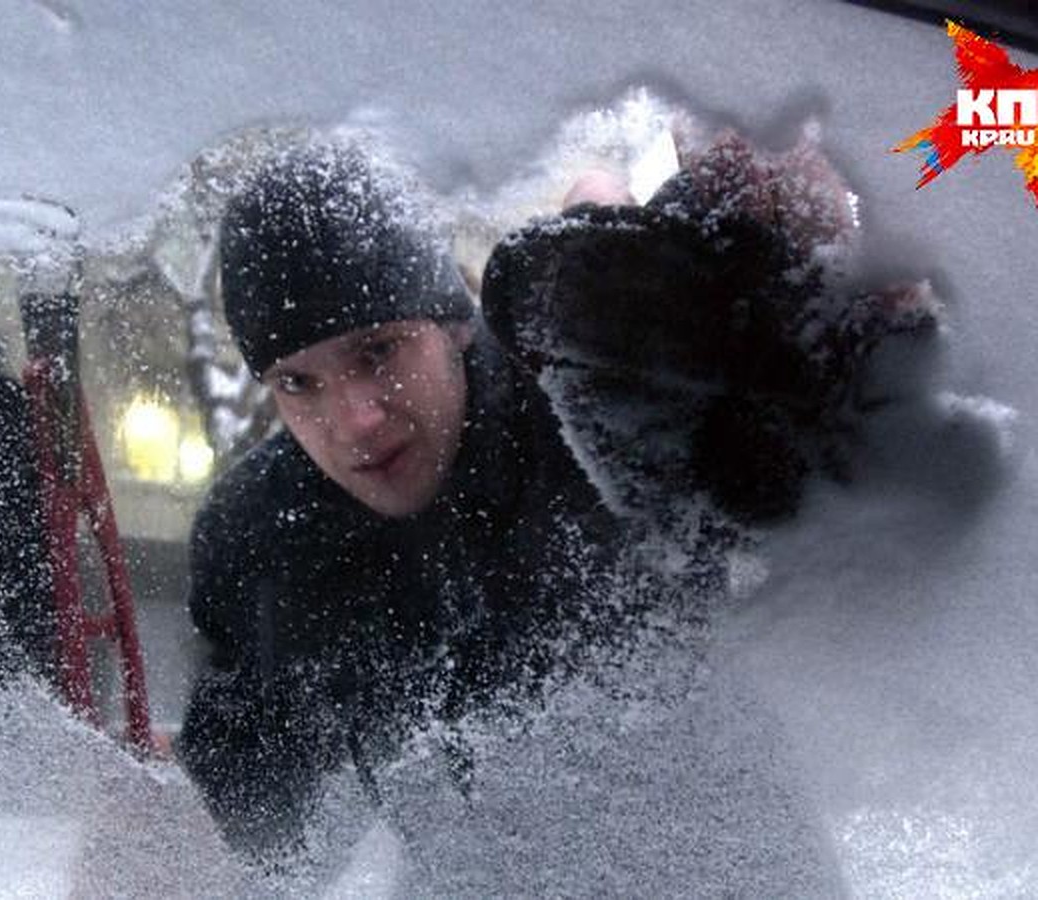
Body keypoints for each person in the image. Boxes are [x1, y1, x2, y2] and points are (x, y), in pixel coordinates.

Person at [177, 138, 941, 853]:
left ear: (455, 326)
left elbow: (846, 540)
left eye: (378, 351)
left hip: (733, 864)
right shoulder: (263, 537)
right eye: (298, 383)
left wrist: (827, 387)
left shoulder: (595, 408)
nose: (354, 420)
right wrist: (169, 816)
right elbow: (261, 830)